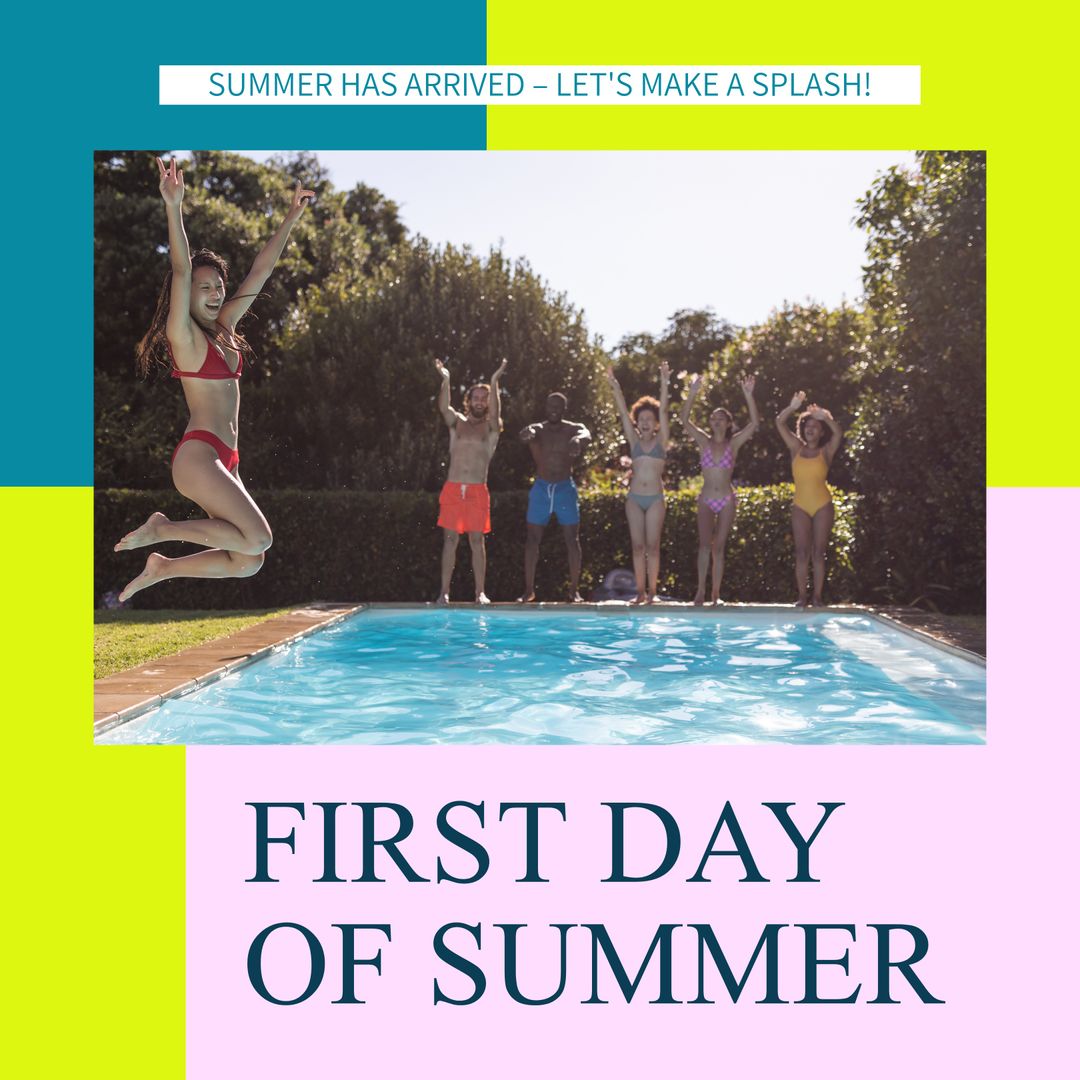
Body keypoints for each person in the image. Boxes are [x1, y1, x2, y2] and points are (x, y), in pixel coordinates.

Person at [114, 158, 314, 601]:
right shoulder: (182, 335)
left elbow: (260, 272)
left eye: (218, 286)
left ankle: (164, 566)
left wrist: (290, 217)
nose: (215, 292)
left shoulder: (225, 327)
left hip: (227, 459)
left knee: (248, 560)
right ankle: (163, 528)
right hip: (200, 455)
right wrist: (174, 206)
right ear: (187, 295)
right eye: (205, 288)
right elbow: (182, 268)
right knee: (259, 537)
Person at [679, 373, 760, 604]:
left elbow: (754, 423)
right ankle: (701, 591)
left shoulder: (732, 444)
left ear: (728, 423)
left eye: (721, 419)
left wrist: (748, 395)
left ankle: (716, 594)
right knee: (704, 546)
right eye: (713, 418)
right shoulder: (704, 441)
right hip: (706, 498)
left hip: (725, 499)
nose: (716, 421)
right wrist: (692, 394)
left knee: (719, 548)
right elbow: (684, 421)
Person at [435, 357, 507, 604]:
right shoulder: (458, 423)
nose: (479, 401)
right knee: (450, 540)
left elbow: (497, 412)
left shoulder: (491, 429)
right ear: (469, 401)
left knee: (477, 541)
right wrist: (445, 379)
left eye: (483, 398)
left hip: (477, 490)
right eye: (476, 397)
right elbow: (444, 408)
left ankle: (480, 592)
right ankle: (444, 592)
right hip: (454, 488)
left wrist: (494, 381)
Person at [605, 362, 670, 604]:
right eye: (641, 418)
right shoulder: (633, 440)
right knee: (637, 547)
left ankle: (652, 593)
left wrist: (664, 382)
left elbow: (663, 411)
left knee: (652, 547)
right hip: (634, 499)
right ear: (637, 421)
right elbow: (622, 412)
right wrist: (614, 386)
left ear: (655, 424)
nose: (645, 422)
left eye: (649, 419)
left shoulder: (661, 441)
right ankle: (640, 593)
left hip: (654, 499)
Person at [518, 393, 592, 602]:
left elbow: (586, 432)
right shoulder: (538, 429)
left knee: (572, 539)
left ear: (564, 409)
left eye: (558, 407)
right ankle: (529, 590)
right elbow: (527, 433)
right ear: (546, 406)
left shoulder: (572, 429)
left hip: (564, 489)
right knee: (532, 539)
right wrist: (527, 433)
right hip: (541, 488)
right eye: (551, 405)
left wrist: (578, 440)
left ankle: (574, 591)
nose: (554, 410)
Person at [775, 391, 844, 608]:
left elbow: (839, 433)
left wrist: (827, 417)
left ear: (821, 430)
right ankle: (802, 597)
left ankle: (817, 597)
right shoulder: (796, 448)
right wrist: (793, 406)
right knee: (802, 552)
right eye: (808, 425)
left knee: (818, 552)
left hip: (822, 505)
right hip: (800, 506)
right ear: (803, 429)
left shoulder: (826, 451)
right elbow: (779, 422)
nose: (810, 428)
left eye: (815, 425)